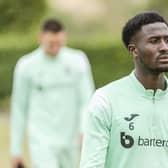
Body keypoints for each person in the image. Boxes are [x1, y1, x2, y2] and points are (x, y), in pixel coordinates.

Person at [80, 12, 168, 168]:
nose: (164, 47)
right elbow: (92, 164)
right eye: (154, 41)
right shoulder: (106, 99)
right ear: (134, 50)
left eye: (167, 40)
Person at [10, 19, 95, 168]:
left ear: (64, 38)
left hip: (70, 139)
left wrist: (84, 128)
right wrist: (15, 150)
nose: (55, 48)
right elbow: (19, 108)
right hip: (41, 139)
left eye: (59, 43)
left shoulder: (78, 61)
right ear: (40, 38)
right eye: (51, 44)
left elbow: (86, 100)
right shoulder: (26, 66)